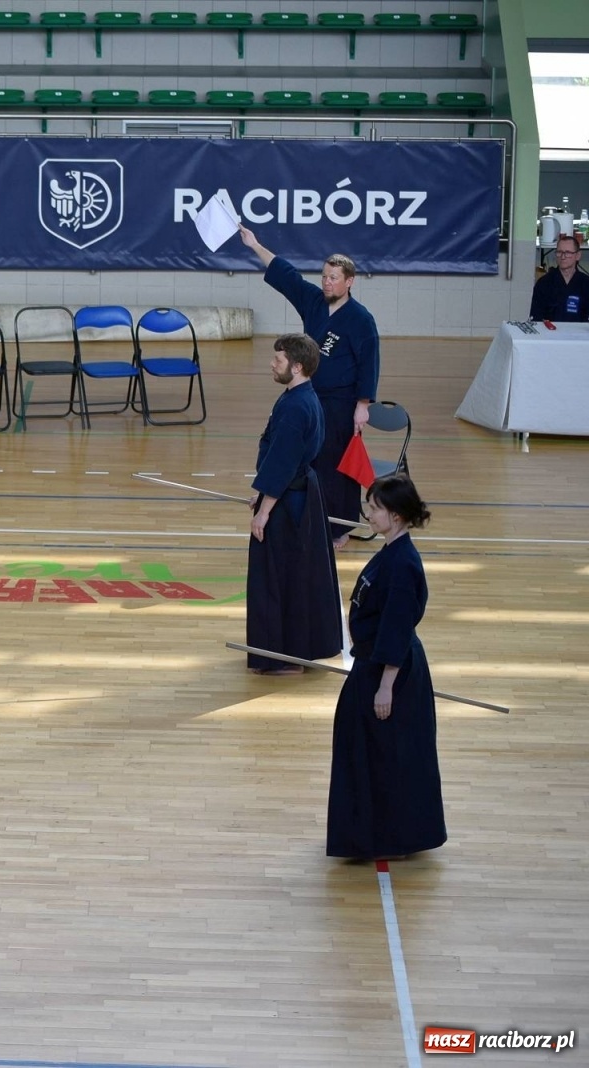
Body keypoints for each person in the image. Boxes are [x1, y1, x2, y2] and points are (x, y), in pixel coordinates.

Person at [327, 474, 446, 860]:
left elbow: (396, 627)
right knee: (365, 750)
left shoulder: (403, 565)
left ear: (396, 515)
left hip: (388, 671)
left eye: (375, 508)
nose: (369, 513)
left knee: (387, 754)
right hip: (373, 664)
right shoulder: (391, 552)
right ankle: (367, 833)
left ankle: (389, 838)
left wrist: (385, 686)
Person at [240, 226, 380, 549]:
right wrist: (255, 245)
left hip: (341, 402)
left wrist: (363, 404)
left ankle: (339, 527)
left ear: (349, 281)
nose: (327, 282)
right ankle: (304, 518)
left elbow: (369, 362)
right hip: (309, 396)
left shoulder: (361, 319)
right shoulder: (314, 302)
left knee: (336, 464)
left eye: (334, 278)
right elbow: (287, 276)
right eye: (325, 276)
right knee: (305, 460)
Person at [247, 334, 343, 675]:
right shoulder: (300, 397)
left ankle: (285, 657)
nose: (272, 364)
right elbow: (280, 459)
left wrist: (264, 511)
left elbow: (283, 463)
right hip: (296, 493)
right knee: (295, 575)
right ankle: (293, 652)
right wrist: (262, 494)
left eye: (278, 360)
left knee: (282, 578)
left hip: (290, 504)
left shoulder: (295, 407)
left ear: (297, 366)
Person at [529, 233, 589, 322]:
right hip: (550, 330)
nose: (563, 257)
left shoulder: (586, 283)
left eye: (568, 253)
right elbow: (536, 317)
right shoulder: (544, 283)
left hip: (578, 330)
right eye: (559, 252)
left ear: (578, 255)